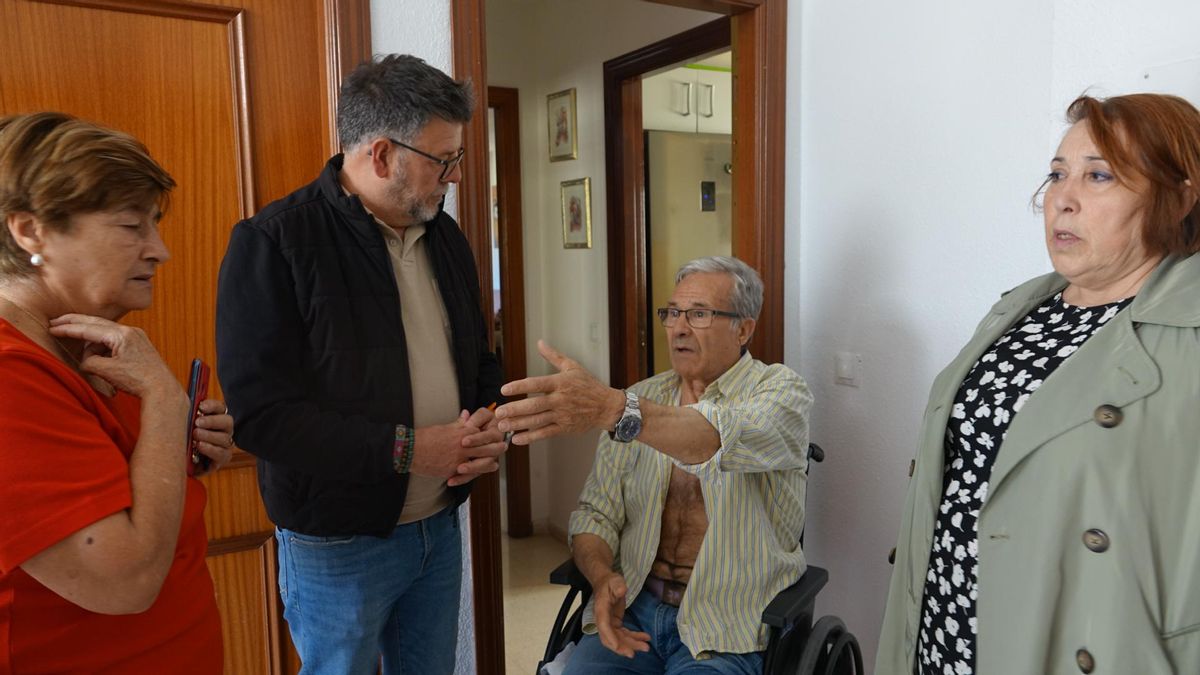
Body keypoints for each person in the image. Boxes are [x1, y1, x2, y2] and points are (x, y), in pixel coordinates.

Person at [876, 93, 1200, 675]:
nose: (1062, 201)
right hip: (945, 631)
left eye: (1099, 176)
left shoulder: (1191, 334)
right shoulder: (1020, 308)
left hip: (1071, 645)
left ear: (1180, 197)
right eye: (1056, 175)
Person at [215, 54, 507, 674]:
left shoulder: (446, 238)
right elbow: (262, 417)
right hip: (337, 546)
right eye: (443, 159)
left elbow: (479, 361)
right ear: (381, 155)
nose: (454, 176)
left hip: (439, 528)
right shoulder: (274, 242)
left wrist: (491, 425)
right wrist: (408, 450)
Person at [496, 256, 812, 675]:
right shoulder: (642, 396)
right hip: (635, 613)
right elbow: (596, 515)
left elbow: (715, 436)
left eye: (699, 314)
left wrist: (612, 408)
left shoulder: (782, 393)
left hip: (724, 627)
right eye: (672, 313)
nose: (678, 328)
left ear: (744, 328)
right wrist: (602, 576)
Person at [0, 112, 235, 672]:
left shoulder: (87, 350)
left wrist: (181, 453)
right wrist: (164, 401)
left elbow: (117, 497)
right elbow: (123, 581)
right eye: (132, 226)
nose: (159, 250)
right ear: (30, 231)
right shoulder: (10, 376)